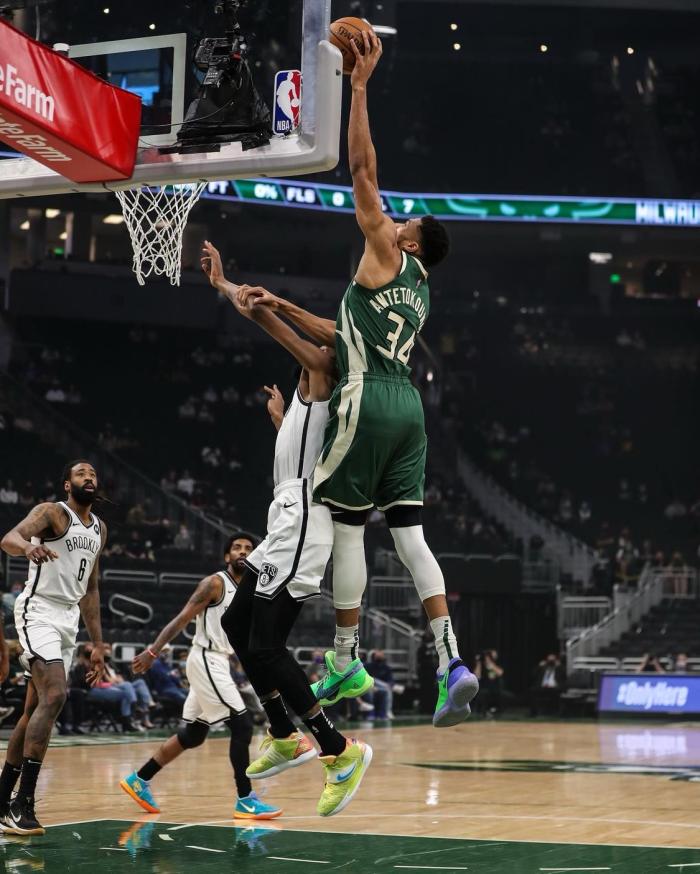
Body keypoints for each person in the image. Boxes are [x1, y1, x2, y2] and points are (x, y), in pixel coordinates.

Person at [236, 31, 477, 728]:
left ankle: (344, 657)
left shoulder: (385, 252)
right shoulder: (420, 291)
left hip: (367, 402)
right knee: (411, 538)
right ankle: (452, 661)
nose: (394, 218)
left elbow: (363, 170)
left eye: (405, 221)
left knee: (342, 526)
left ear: (410, 241)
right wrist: (282, 306)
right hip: (409, 410)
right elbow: (343, 336)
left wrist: (360, 85)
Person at [202, 243, 372, 818]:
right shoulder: (304, 396)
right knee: (235, 623)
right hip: (285, 519)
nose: (313, 344)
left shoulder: (325, 370)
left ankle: (338, 750)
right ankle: (282, 734)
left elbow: (267, 321)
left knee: (267, 646)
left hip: (303, 521)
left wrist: (241, 293)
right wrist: (282, 422)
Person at [120, 534, 281, 820]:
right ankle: (245, 799)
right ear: (227, 556)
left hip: (219, 662)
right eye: (237, 548)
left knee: (193, 735)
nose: (243, 552)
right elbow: (182, 618)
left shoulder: (250, 591)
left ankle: (139, 779)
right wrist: (153, 652)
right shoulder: (215, 583)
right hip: (206, 658)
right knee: (242, 726)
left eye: (248, 549)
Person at [0, 460, 106, 835]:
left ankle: (2, 797)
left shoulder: (100, 528)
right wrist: (28, 550)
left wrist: (97, 643)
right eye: (81, 473)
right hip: (39, 610)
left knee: (34, 709)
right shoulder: (52, 513)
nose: (88, 477)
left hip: (69, 618)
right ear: (67, 485)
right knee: (56, 694)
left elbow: (91, 589)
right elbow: (9, 539)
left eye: (92, 474)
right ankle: (23, 802)